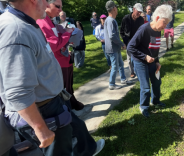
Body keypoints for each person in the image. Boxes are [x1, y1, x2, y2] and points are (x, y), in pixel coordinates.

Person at [0, 0, 105, 155]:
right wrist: (40, 128)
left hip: (50, 105)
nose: (48, 3)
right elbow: (17, 91)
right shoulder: (15, 30)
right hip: (43, 111)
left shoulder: (27, 23)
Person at [37, 0, 85, 111]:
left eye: (61, 7)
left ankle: (72, 104)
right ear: (47, 4)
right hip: (58, 62)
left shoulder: (50, 20)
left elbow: (57, 39)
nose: (60, 10)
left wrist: (68, 38)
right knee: (63, 89)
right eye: (57, 6)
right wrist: (68, 33)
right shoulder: (42, 21)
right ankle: (68, 110)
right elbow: (53, 45)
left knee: (69, 86)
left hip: (64, 59)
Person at [127, 4, 173, 117]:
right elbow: (130, 47)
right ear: (157, 18)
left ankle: (155, 101)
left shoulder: (158, 30)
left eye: (167, 23)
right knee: (146, 87)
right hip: (140, 61)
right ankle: (143, 107)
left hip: (152, 61)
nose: (166, 26)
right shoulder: (144, 29)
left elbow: (155, 48)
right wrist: (144, 57)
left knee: (157, 82)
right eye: (165, 22)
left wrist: (157, 61)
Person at [104, 1, 133, 90]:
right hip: (112, 49)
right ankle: (111, 84)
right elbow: (112, 35)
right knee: (115, 66)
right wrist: (121, 43)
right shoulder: (110, 20)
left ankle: (123, 79)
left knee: (120, 64)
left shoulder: (111, 20)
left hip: (115, 48)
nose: (117, 9)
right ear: (113, 9)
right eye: (116, 7)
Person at [120, 3, 144, 78]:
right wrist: (124, 41)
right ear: (133, 9)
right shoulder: (126, 18)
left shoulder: (141, 20)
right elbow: (121, 31)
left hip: (137, 41)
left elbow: (142, 31)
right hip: (128, 41)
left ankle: (138, 70)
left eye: (140, 12)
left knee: (137, 57)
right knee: (129, 58)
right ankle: (132, 72)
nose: (139, 14)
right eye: (138, 12)